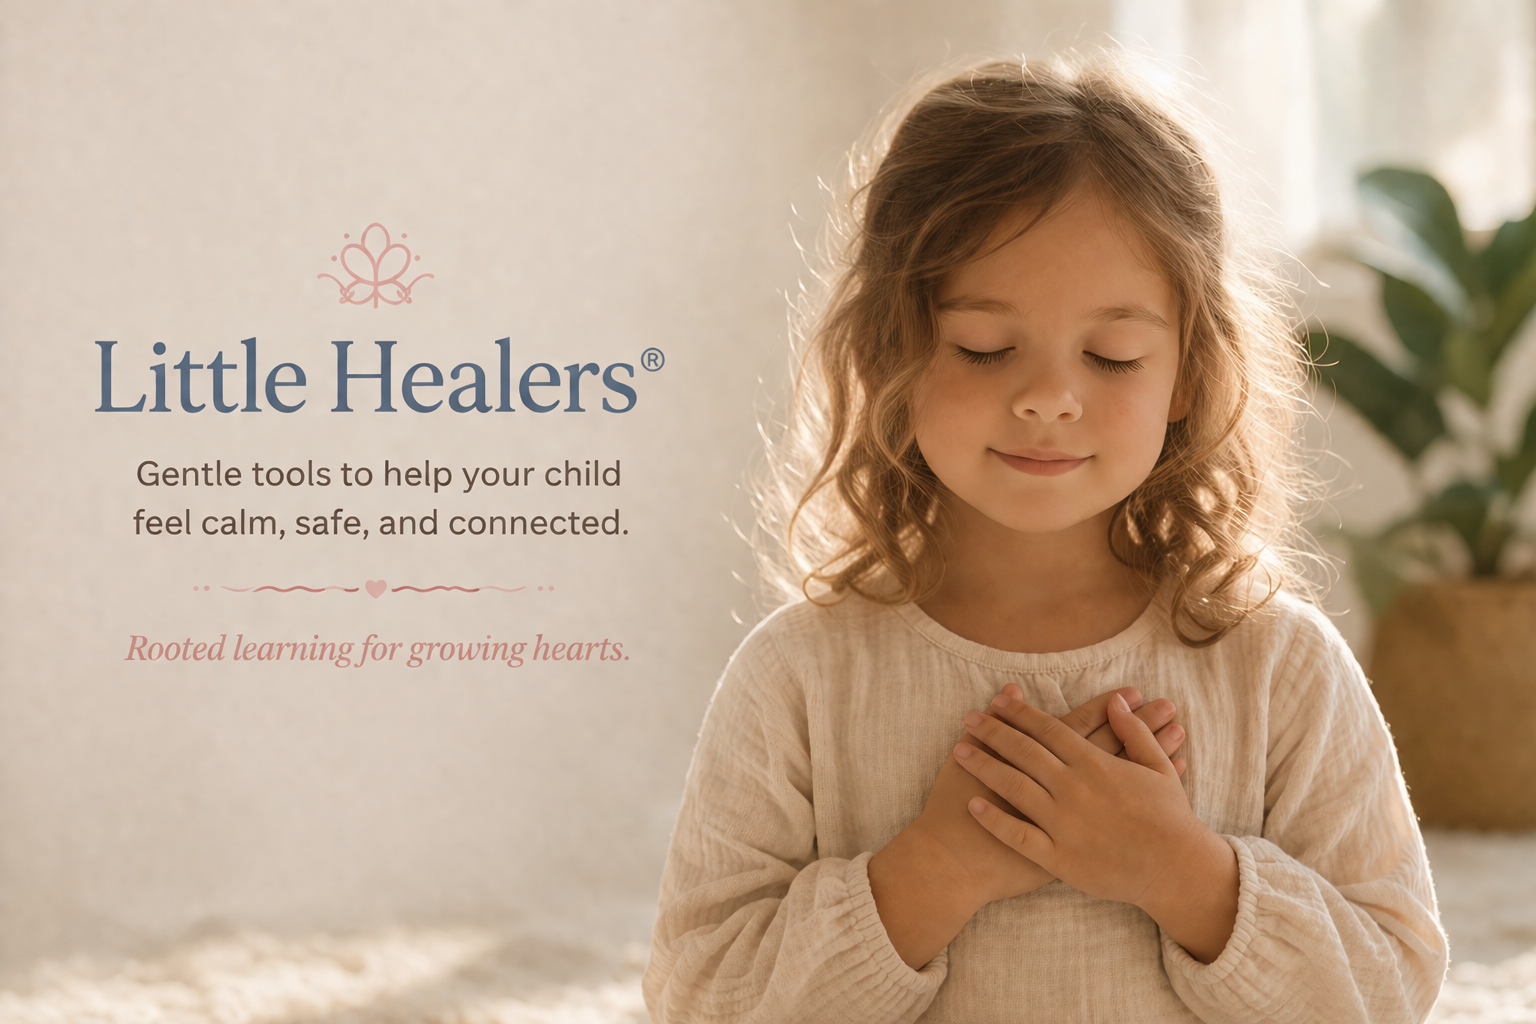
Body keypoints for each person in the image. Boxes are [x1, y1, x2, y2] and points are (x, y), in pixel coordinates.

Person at [642, 56, 1446, 1023]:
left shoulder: (1277, 664)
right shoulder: (798, 677)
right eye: (985, 348)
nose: (1050, 398)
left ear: (1189, 372)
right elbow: (700, 996)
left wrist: (1185, 876)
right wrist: (933, 872)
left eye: (1112, 356)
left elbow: (1391, 985)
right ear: (889, 351)